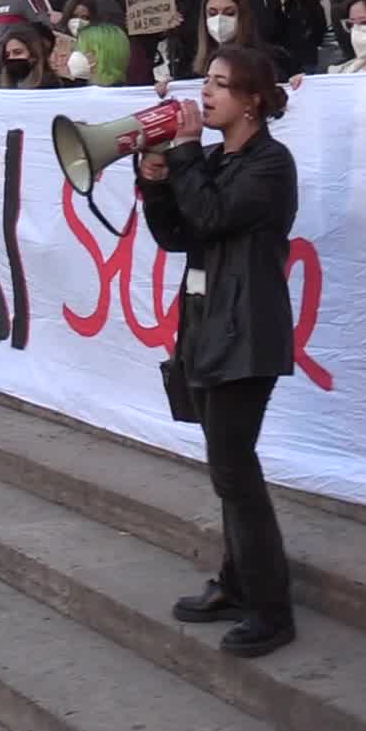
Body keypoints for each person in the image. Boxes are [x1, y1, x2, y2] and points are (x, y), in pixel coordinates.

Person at [138, 44, 299, 658]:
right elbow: (178, 233)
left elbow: (211, 216)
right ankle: (239, 584)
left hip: (247, 333)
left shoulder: (270, 165)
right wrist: (155, 181)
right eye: (206, 81)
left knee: (236, 471)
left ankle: (271, 609)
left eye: (221, 85)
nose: (206, 94)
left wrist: (179, 156)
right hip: (207, 326)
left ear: (253, 100)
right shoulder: (211, 159)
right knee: (226, 470)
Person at [280, 0, 328, 75]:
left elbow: (321, 25)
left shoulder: (314, 6)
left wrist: (314, 38)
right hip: (293, 49)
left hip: (309, 48)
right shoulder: (289, 6)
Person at [0, 25, 66, 90]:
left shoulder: (49, 85)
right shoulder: (8, 86)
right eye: (7, 55)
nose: (11, 58)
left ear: (34, 54)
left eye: (18, 52)